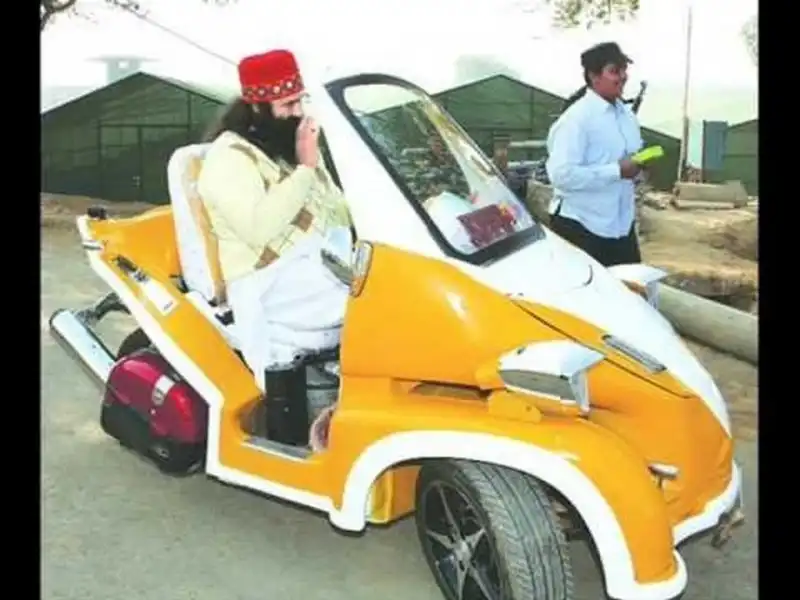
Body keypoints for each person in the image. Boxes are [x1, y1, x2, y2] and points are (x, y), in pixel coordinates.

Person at [197, 49, 352, 445]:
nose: (298, 112)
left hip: (313, 266)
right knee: (368, 301)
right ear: (257, 106)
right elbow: (258, 228)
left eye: (300, 101)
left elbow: (336, 209)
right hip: (266, 281)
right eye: (287, 105)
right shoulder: (228, 157)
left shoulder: (285, 145)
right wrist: (305, 169)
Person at [545, 42, 645, 267]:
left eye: (624, 70)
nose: (622, 77)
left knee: (628, 286)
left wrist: (640, 168)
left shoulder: (627, 117)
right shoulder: (576, 119)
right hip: (581, 226)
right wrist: (617, 171)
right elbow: (561, 175)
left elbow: (630, 159)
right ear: (593, 76)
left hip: (620, 226)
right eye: (614, 71)